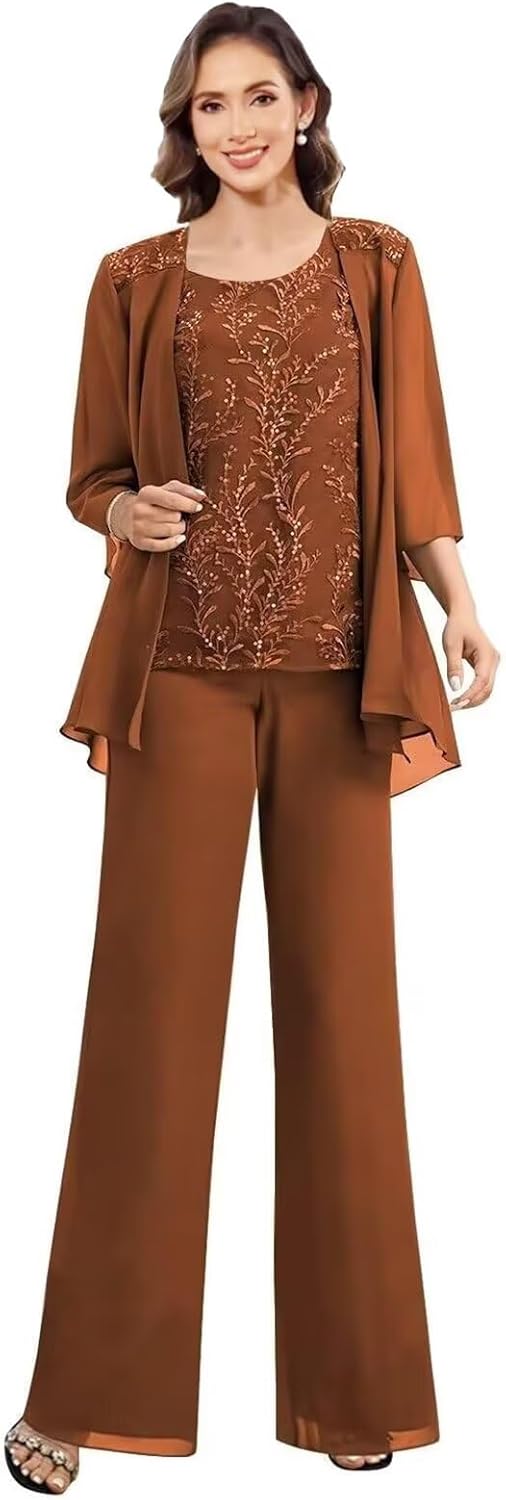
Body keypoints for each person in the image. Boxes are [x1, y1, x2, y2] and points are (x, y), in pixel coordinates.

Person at [4, 3, 500, 1490]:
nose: (234, 124)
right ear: (185, 127)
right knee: (147, 1032)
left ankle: (358, 1399)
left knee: (347, 1029)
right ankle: (82, 1392)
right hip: (179, 683)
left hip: (344, 684)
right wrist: (127, 511)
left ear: (306, 105)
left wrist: (462, 606)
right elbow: (90, 478)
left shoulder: (378, 263)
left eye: (258, 95)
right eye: (207, 104)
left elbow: (416, 460)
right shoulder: (133, 279)